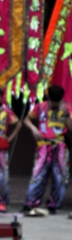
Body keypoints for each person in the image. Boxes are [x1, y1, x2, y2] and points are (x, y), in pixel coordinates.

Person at [23, 85, 72, 215]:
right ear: (49, 97)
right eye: (53, 101)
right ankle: (31, 203)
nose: (55, 104)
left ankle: (53, 205)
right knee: (38, 174)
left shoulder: (67, 108)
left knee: (60, 176)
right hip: (43, 145)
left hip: (60, 145)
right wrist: (34, 129)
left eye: (57, 101)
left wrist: (66, 115)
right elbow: (26, 120)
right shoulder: (40, 106)